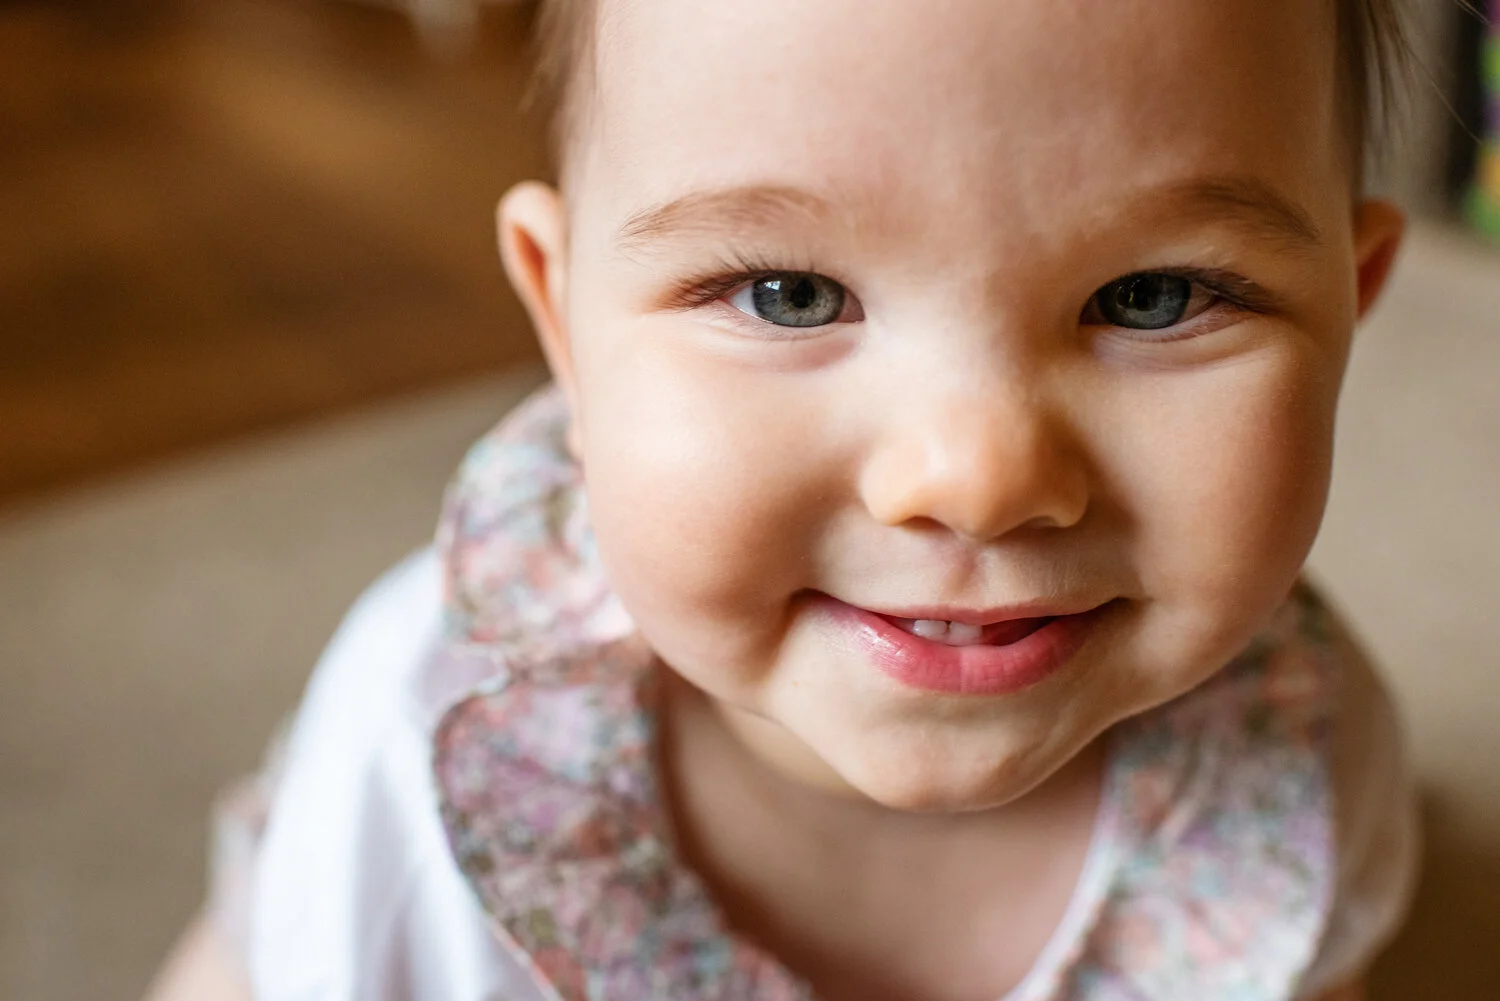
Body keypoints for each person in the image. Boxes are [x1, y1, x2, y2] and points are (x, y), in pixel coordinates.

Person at [146, 0, 1422, 998]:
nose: (977, 479)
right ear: (568, 327)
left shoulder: (1304, 775)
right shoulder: (415, 769)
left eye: (1152, 295)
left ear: (1348, 309)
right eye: (788, 294)